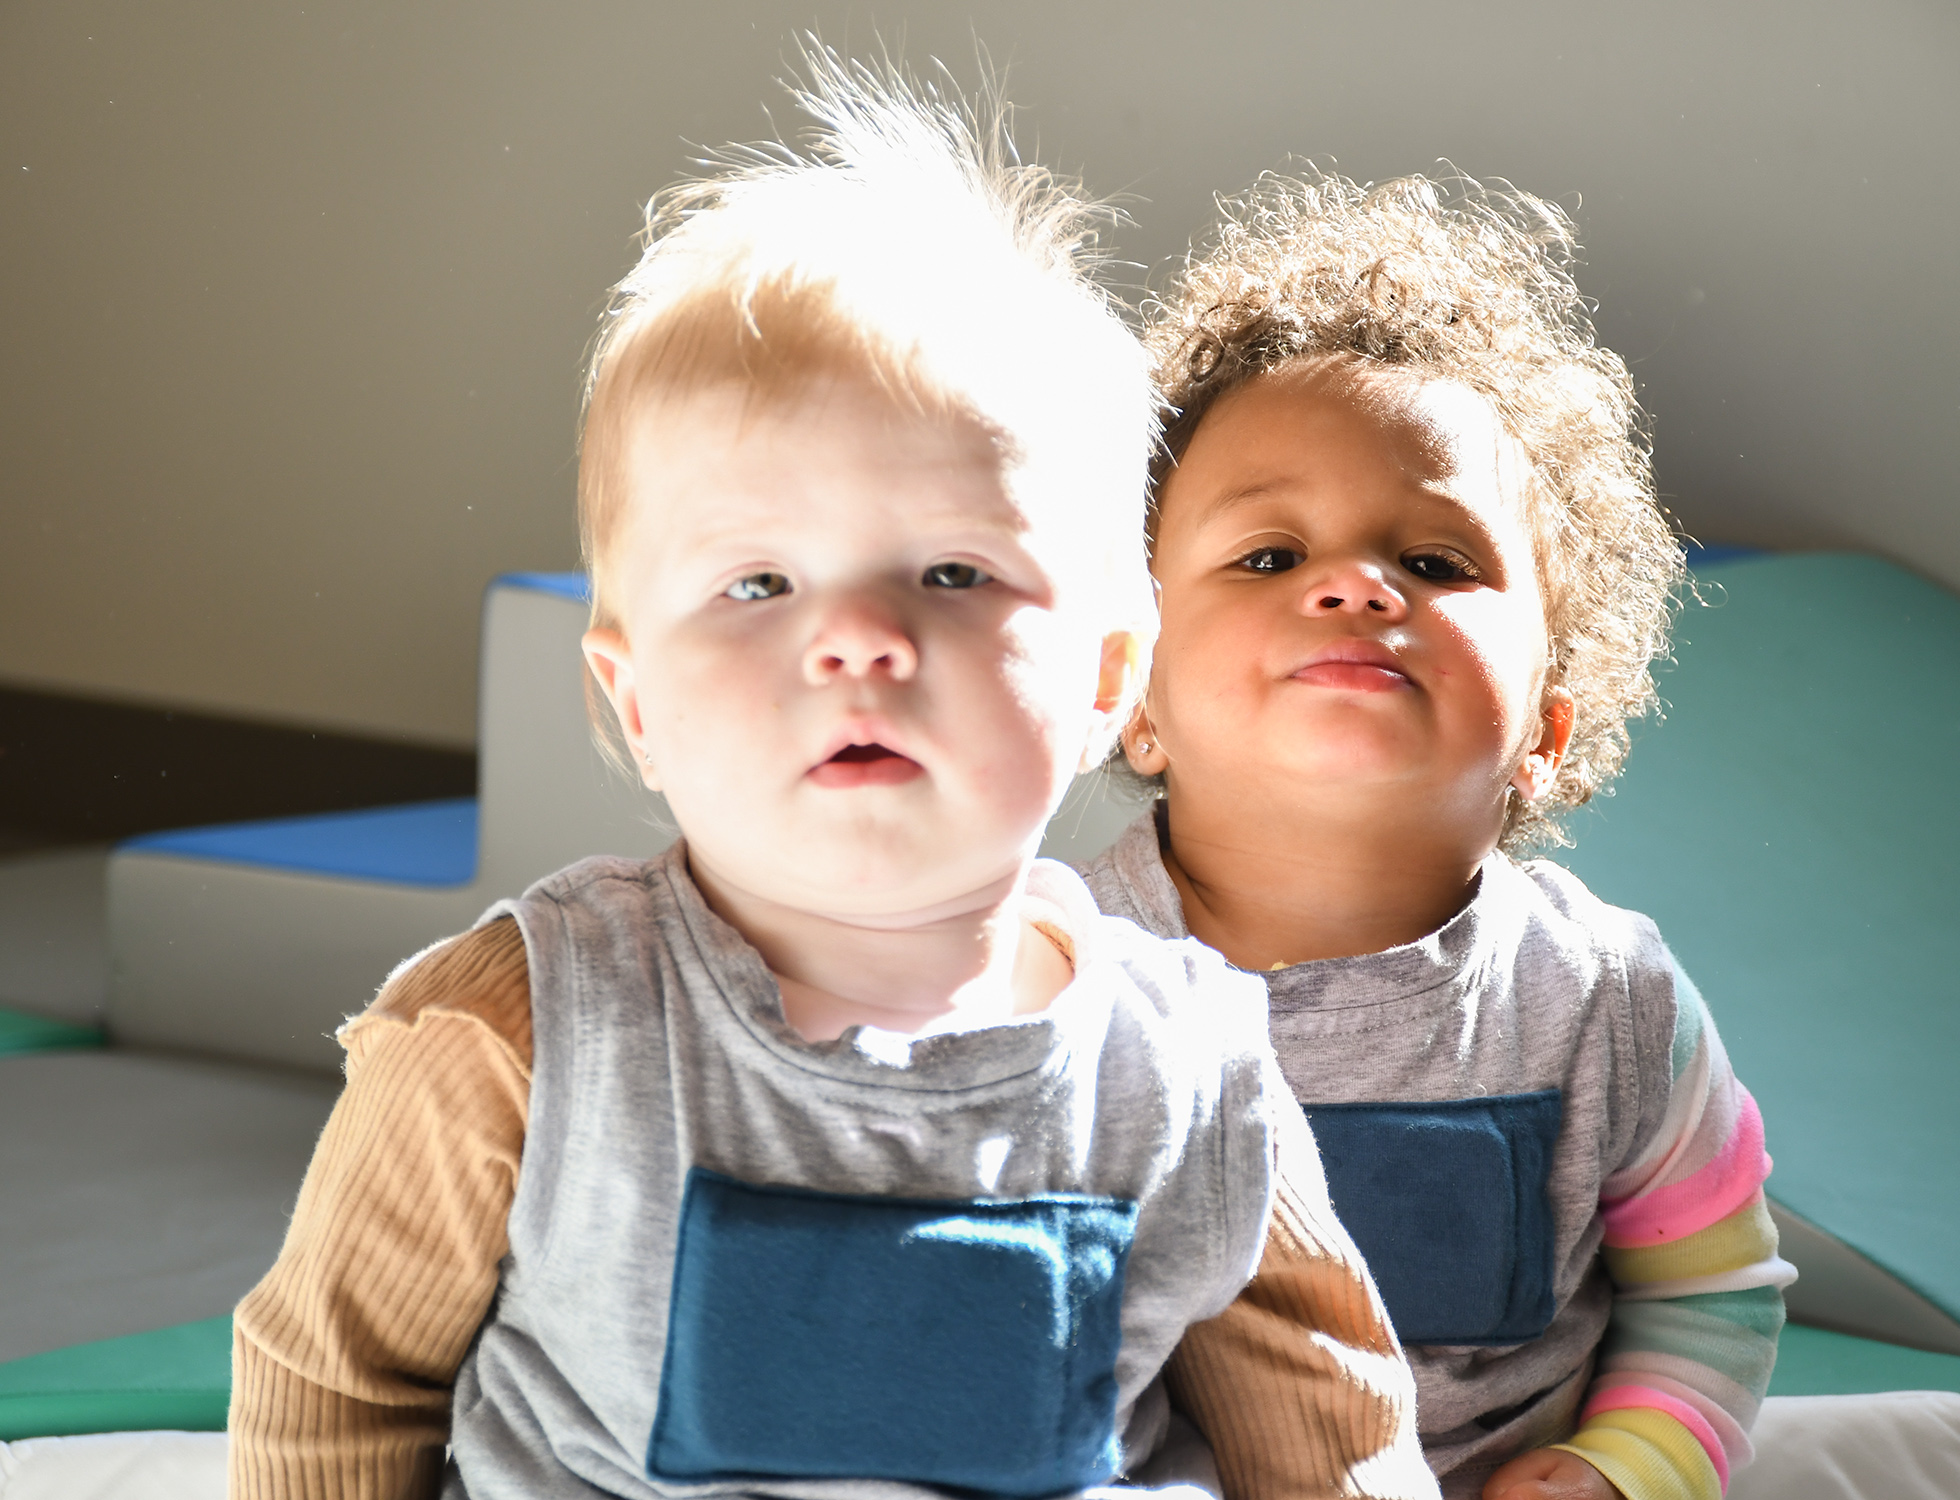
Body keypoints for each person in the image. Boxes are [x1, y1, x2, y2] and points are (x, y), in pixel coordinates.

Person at [226, 58, 1438, 1500]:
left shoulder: (1185, 1067)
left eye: (951, 572)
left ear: (1114, 677)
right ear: (636, 698)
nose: (859, 637)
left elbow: (1328, 1422)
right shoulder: (525, 1034)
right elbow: (337, 1381)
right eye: (757, 582)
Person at [1077, 171, 1794, 1500]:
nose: (1356, 584)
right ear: (1135, 695)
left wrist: (1622, 1469)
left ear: (1546, 727)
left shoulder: (1608, 1006)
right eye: (1268, 558)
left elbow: (1715, 1303)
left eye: (1439, 563)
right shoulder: (1045, 981)